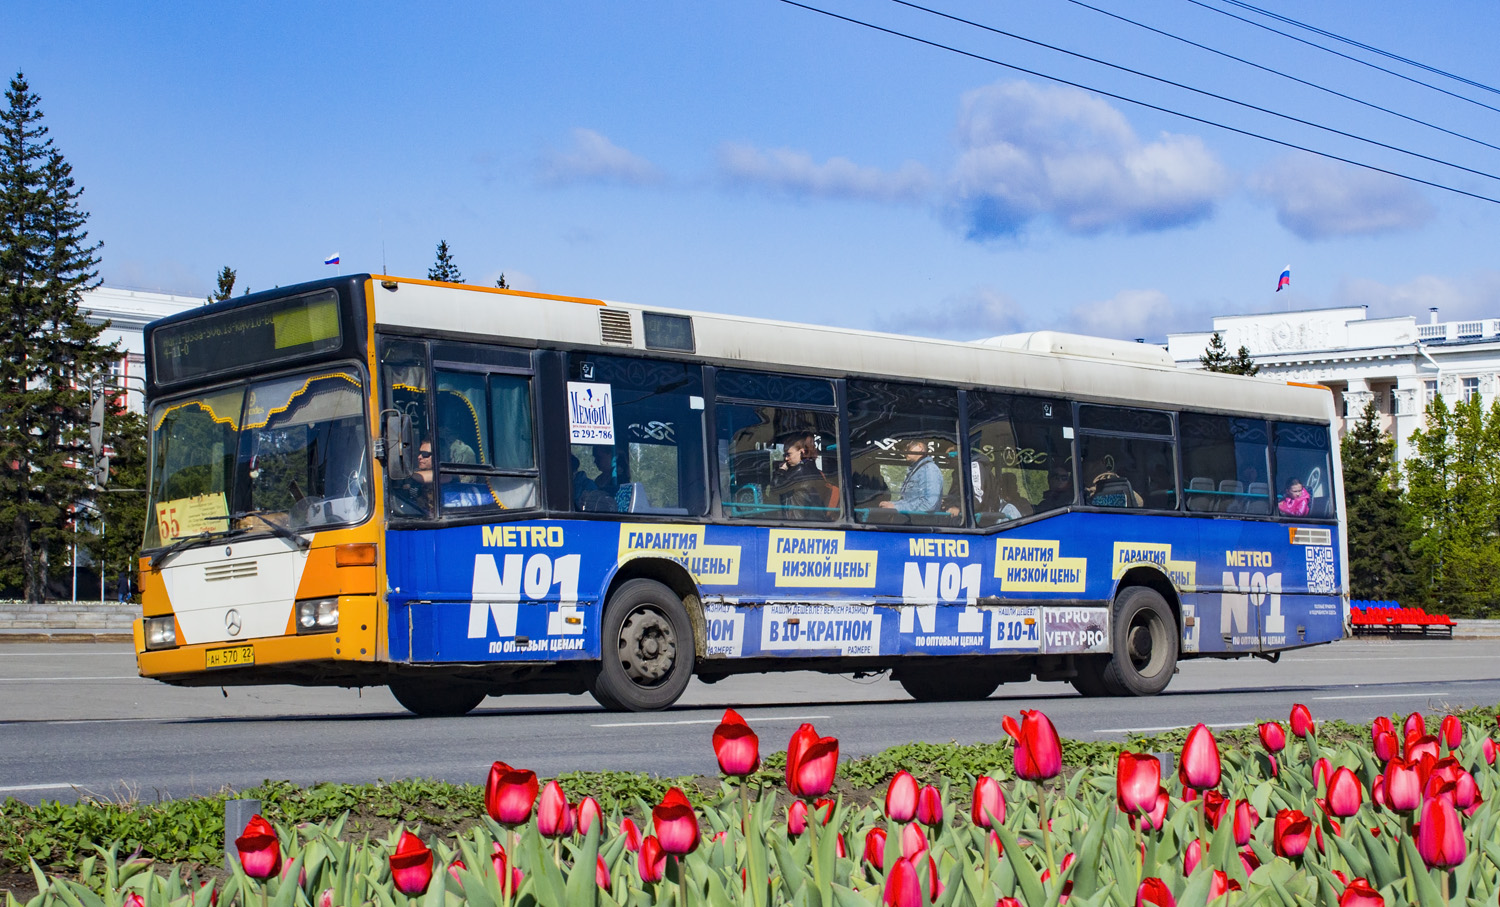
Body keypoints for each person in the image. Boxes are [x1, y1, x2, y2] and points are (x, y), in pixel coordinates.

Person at [771, 432, 829, 520]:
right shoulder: (810, 467)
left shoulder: (799, 471)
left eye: (788, 454)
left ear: (801, 452)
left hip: (801, 520)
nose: (786, 459)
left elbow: (775, 488)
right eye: (785, 455)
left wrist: (781, 471)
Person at [879, 439, 942, 513]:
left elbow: (928, 504)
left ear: (920, 447)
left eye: (908, 447)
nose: (904, 451)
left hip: (922, 522)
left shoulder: (929, 469)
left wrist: (896, 507)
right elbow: (908, 501)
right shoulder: (916, 470)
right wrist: (892, 504)